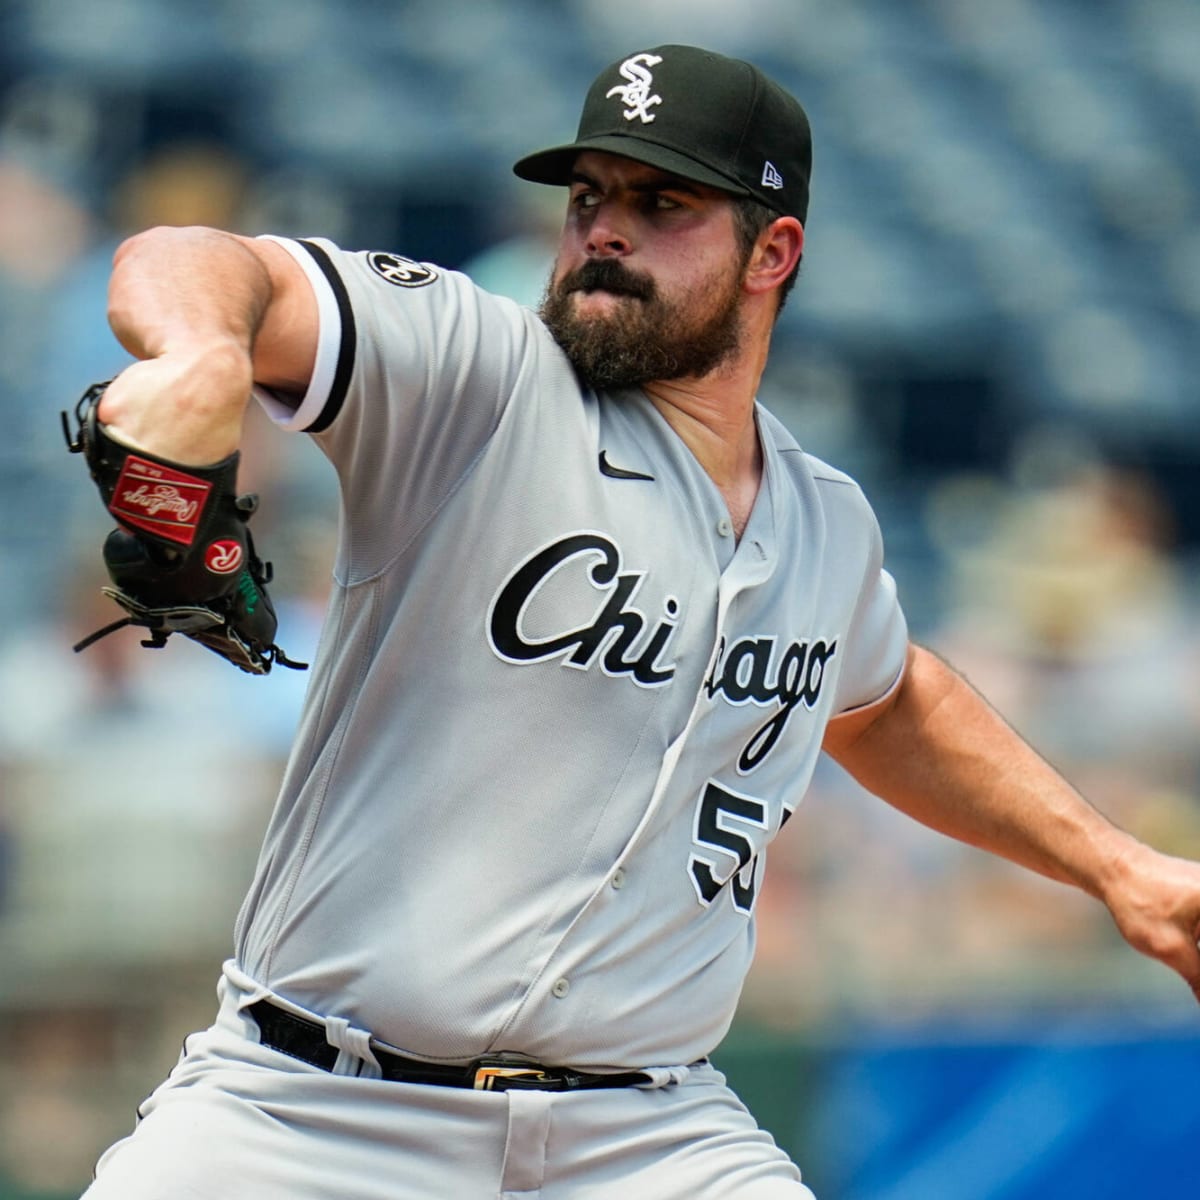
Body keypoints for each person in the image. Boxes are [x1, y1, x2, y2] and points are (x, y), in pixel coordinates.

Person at [77, 44, 1200, 1200]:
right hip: (312, 1113)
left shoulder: (825, 523)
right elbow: (193, 259)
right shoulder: (479, 378)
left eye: (660, 203)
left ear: (775, 251)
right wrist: (204, 348)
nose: (604, 230)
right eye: (587, 199)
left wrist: (1121, 870)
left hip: (645, 1136)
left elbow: (886, 697)